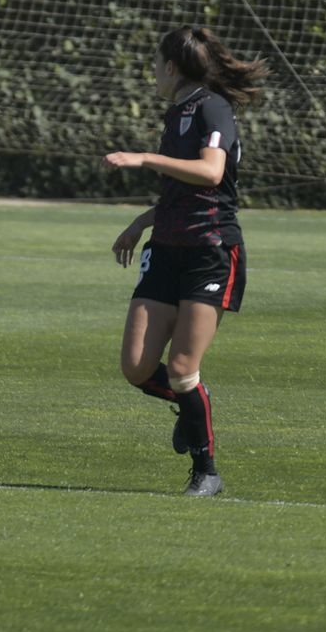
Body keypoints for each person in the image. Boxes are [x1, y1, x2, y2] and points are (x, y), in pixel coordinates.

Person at [105, 25, 266, 498]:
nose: (154, 72)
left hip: (210, 252)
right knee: (137, 366)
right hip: (167, 247)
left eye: (156, 63)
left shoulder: (212, 106)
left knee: (180, 365)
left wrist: (144, 158)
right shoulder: (178, 111)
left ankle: (206, 471)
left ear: (172, 67)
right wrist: (142, 221)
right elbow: (182, 192)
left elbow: (211, 172)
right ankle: (193, 401)